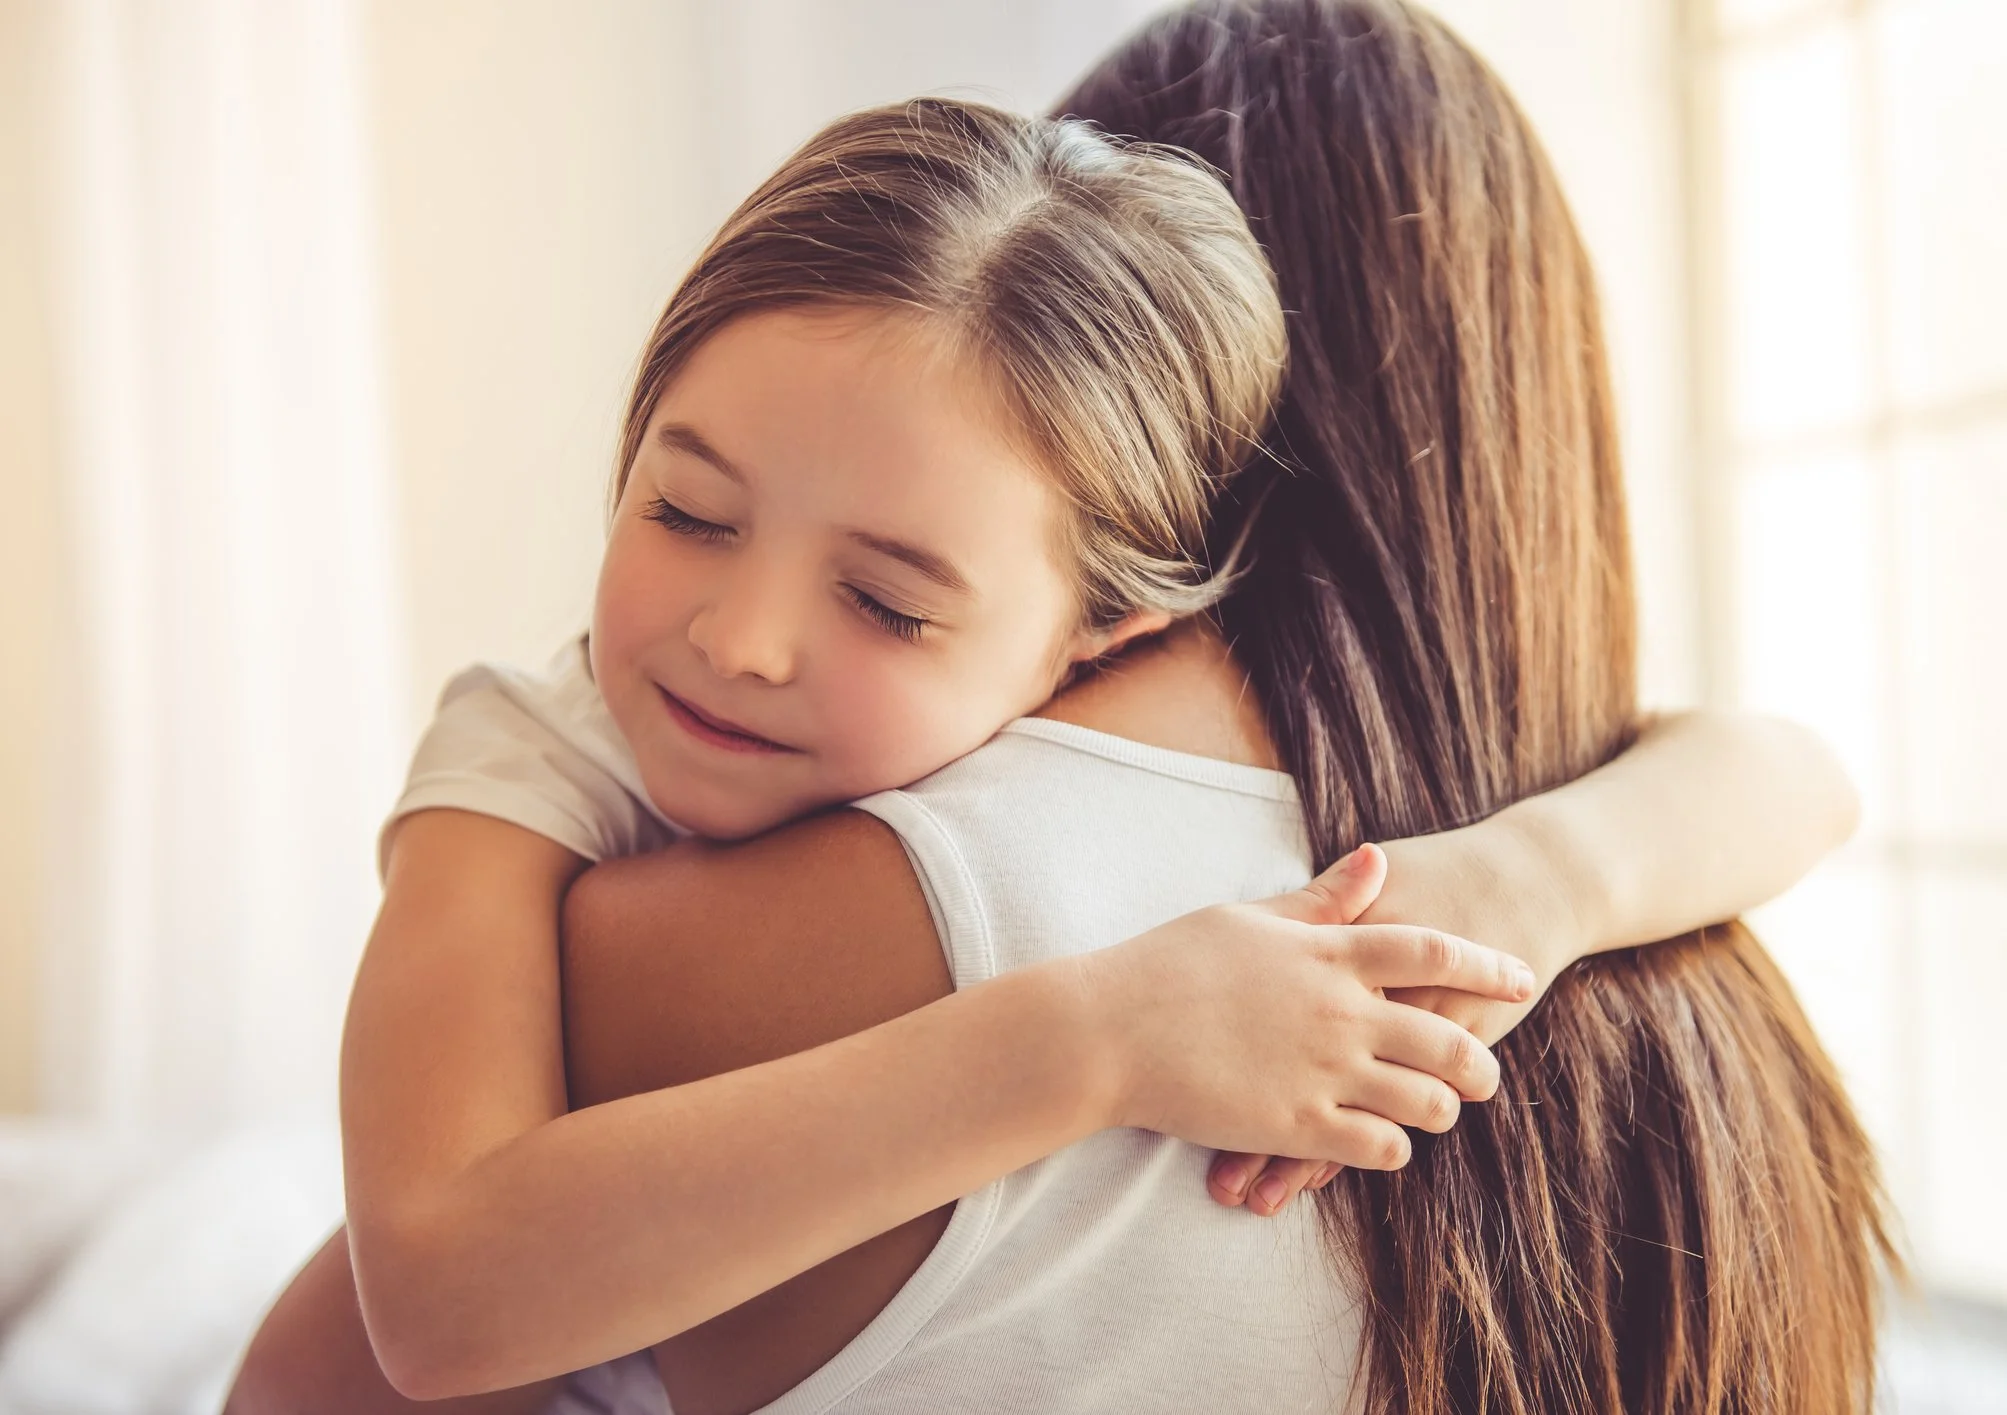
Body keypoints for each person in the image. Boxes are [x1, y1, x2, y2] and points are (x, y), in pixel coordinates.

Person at [228, 6, 1877, 1412]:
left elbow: (1802, 769)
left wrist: (1520, 888)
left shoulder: (1493, 861)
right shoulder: (535, 762)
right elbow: (416, 1301)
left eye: (888, 597)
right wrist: (1094, 1033)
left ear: (1112, 615)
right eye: (685, 511)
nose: (740, 642)